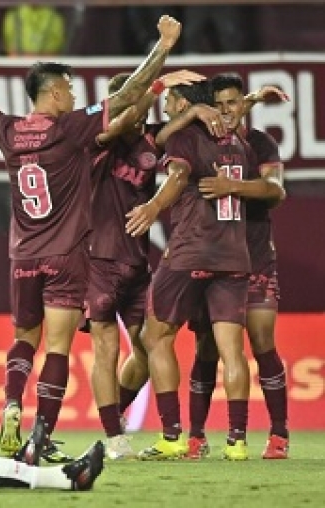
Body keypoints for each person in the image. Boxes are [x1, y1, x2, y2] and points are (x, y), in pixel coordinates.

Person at [0, 14, 182, 465]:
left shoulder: (6, 130)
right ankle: (40, 436)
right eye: (70, 88)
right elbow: (124, 96)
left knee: (24, 337)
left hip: (22, 255)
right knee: (58, 347)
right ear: (56, 92)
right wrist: (161, 49)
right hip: (67, 257)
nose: (75, 95)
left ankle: (10, 403)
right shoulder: (67, 129)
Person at [84, 70, 221, 460]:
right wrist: (159, 84)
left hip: (138, 263)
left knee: (149, 347)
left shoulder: (150, 139)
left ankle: (127, 416)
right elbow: (126, 117)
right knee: (106, 348)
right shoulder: (99, 141)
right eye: (131, 102)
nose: (142, 112)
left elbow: (169, 131)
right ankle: (113, 436)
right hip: (99, 259)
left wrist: (195, 106)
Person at [125, 79, 253, 461]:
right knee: (232, 351)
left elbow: (178, 175)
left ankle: (172, 435)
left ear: (184, 103)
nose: (165, 108)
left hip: (191, 253)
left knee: (155, 336)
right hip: (234, 256)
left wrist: (152, 207)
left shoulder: (186, 138)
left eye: (170, 101)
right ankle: (237, 441)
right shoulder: (240, 144)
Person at [186, 74, 289, 460]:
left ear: (243, 104)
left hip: (256, 259)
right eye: (219, 104)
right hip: (212, 262)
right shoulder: (200, 143)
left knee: (262, 343)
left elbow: (275, 190)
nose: (226, 112)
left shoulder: (260, 143)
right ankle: (196, 436)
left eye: (233, 103)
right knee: (206, 349)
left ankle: (279, 434)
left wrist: (232, 187)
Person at [2, 3, 66, 56]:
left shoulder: (55, 17)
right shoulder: (13, 15)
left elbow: (54, 53)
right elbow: (11, 52)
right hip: (19, 68)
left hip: (46, 69)